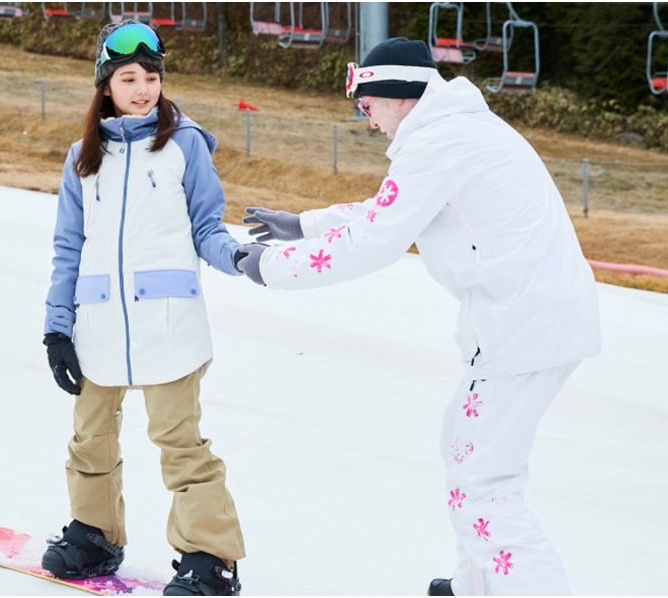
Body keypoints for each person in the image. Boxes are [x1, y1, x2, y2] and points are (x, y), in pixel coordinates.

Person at [237, 37, 601, 596]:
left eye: (367, 104)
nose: (367, 118)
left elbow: (378, 238)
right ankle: (474, 583)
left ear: (397, 94)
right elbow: (393, 209)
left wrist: (273, 267)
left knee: (483, 482)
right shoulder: (453, 132)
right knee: (466, 449)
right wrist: (305, 225)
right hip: (530, 321)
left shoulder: (439, 141)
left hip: (521, 328)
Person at [42, 20, 248, 596]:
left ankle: (211, 558)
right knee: (89, 440)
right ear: (105, 86)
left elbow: (208, 226)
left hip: (169, 325)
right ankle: (94, 536)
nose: (141, 88)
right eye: (128, 77)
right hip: (98, 324)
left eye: (150, 77)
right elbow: (68, 247)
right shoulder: (83, 156)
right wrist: (57, 328)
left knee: (180, 444)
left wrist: (240, 257)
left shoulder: (184, 145)